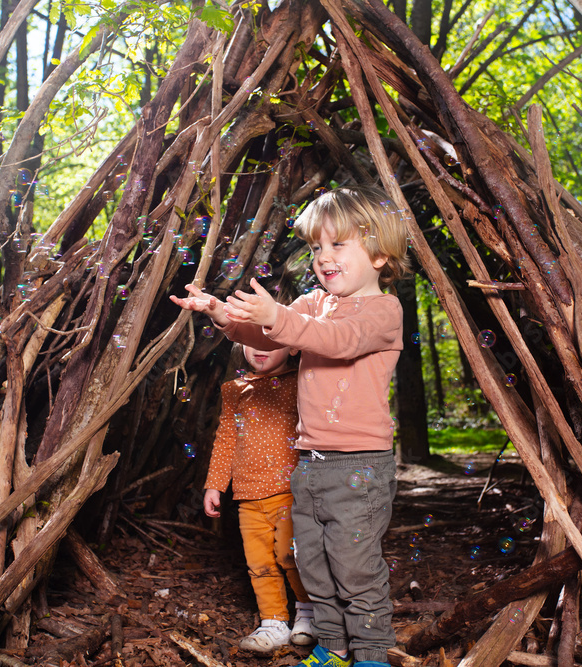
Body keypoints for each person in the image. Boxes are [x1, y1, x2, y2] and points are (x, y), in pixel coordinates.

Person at [172, 186, 411, 667]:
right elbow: (265, 334)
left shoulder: (383, 312)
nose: (323, 257)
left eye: (337, 244)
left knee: (355, 566)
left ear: (380, 254)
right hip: (311, 463)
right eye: (315, 247)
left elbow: (336, 341)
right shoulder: (311, 304)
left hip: (360, 465)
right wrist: (221, 313)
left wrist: (278, 316)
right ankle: (333, 646)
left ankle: (368, 653)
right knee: (313, 562)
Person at [203, 341, 314, 653]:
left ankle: (308, 612)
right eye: (250, 340)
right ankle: (274, 622)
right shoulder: (234, 389)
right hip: (247, 495)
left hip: (289, 491)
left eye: (270, 341)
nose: (258, 348)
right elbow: (226, 437)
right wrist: (215, 485)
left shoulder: (302, 382)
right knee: (259, 561)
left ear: (292, 347)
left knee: (291, 556)